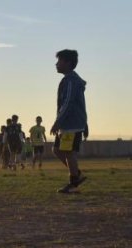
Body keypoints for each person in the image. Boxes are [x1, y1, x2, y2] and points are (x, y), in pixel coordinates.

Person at [51, 49, 89, 193]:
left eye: (59, 61)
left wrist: (58, 121)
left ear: (67, 63)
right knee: (57, 150)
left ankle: (73, 183)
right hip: (70, 123)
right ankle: (77, 174)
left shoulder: (71, 81)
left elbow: (68, 103)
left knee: (68, 152)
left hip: (71, 124)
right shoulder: (69, 79)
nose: (56, 64)